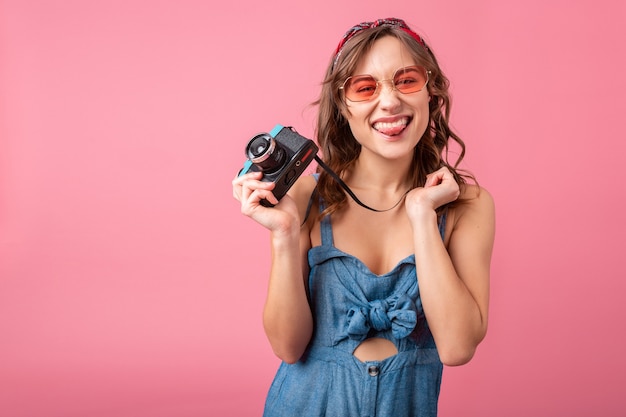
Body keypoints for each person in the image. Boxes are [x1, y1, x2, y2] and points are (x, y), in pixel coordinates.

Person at [232, 17, 495, 417]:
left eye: (406, 80)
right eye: (365, 87)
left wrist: (423, 215)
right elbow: (288, 347)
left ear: (431, 92)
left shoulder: (469, 205)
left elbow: (458, 347)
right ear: (343, 105)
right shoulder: (305, 196)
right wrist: (284, 234)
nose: (388, 102)